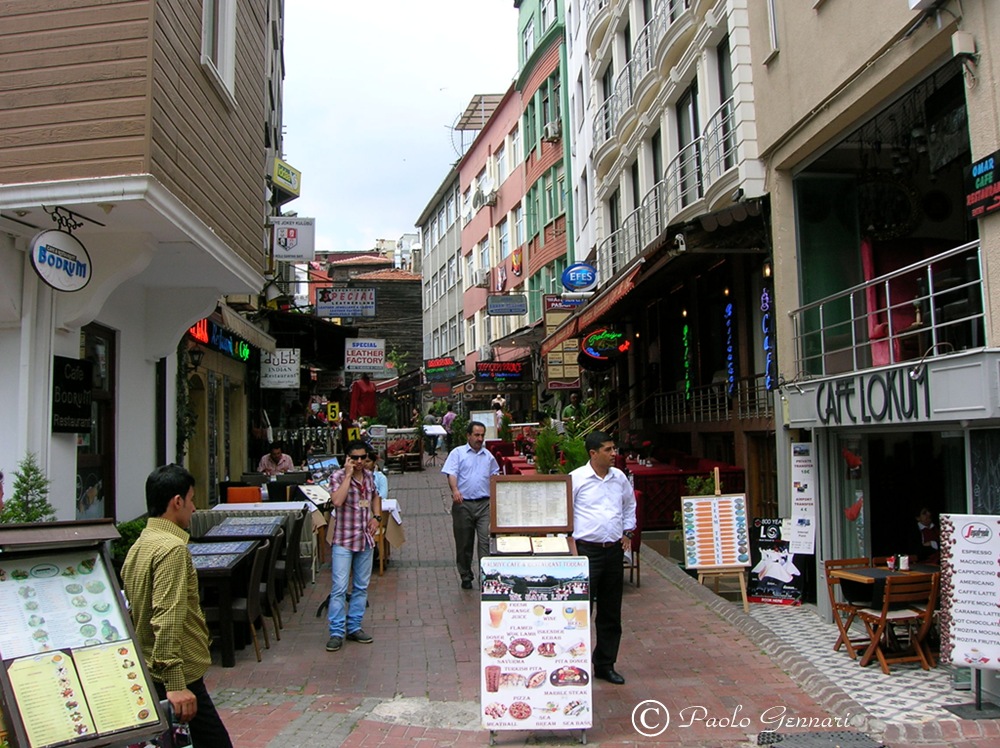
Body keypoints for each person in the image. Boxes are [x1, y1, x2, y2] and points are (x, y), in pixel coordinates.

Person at [121, 465, 233, 747]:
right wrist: (175, 684)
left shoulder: (140, 544)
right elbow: (166, 616)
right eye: (192, 499)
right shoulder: (171, 549)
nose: (195, 508)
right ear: (177, 501)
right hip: (177, 677)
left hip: (155, 669)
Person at [570, 431, 636, 685]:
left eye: (613, 448)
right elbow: (565, 513)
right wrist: (570, 545)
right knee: (580, 609)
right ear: (593, 453)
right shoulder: (577, 479)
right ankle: (575, 661)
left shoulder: (619, 478)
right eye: (608, 450)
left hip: (613, 551)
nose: (613, 454)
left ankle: (605, 663)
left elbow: (629, 505)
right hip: (586, 550)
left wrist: (628, 532)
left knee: (610, 610)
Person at [325, 440, 381, 652]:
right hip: (344, 540)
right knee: (339, 587)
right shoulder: (338, 477)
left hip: (365, 539)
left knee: (361, 586)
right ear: (347, 458)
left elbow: (376, 496)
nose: (359, 462)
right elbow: (337, 502)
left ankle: (354, 626)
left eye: (363, 458)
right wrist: (348, 475)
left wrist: (376, 517)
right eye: (354, 458)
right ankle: (336, 631)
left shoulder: (369, 477)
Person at [441, 421, 499, 589]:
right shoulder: (457, 453)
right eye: (476, 435)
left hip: (484, 504)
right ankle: (465, 574)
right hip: (463, 504)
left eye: (482, 435)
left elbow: (495, 475)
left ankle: (485, 576)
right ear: (468, 435)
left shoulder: (488, 456)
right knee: (464, 542)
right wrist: (455, 490)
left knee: (485, 541)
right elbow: (451, 473)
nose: (480, 439)